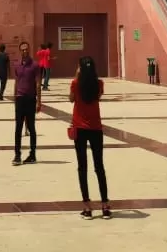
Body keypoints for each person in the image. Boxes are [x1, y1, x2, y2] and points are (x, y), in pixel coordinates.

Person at [70, 55, 110, 219]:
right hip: (95, 128)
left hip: (79, 128)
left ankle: (87, 207)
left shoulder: (75, 84)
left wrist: (77, 76)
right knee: (99, 166)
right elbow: (98, 97)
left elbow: (71, 99)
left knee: (82, 167)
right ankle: (105, 206)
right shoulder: (99, 84)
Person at [12, 41, 41, 165]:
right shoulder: (17, 65)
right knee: (18, 127)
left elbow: (38, 84)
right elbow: (16, 81)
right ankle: (17, 155)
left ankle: (32, 154)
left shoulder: (35, 65)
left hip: (30, 99)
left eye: (26, 49)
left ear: (29, 50)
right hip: (20, 98)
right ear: (20, 51)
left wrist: (39, 101)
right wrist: (14, 97)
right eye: (22, 49)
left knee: (31, 127)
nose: (24, 51)